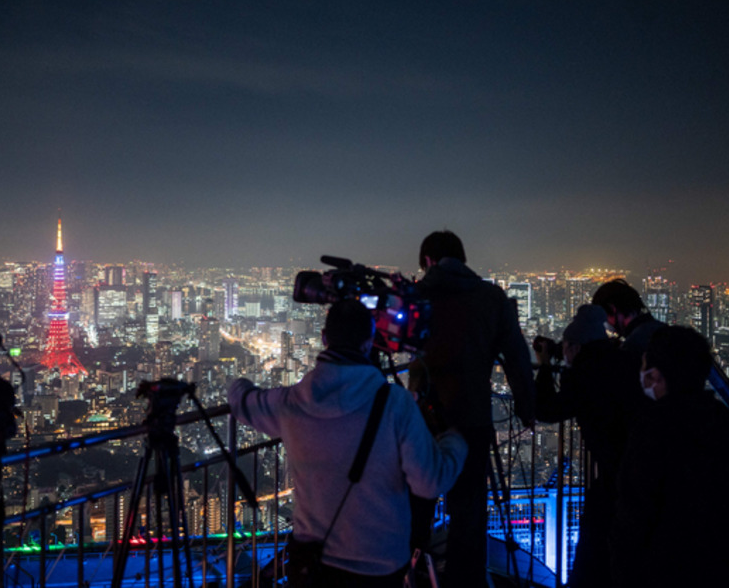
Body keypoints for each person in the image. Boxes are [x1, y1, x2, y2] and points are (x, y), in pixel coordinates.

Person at [228, 299, 467, 587]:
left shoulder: (291, 402)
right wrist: (455, 440)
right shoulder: (396, 404)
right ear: (369, 344)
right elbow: (429, 482)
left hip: (313, 565)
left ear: (324, 339)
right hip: (380, 565)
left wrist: (238, 382)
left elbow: (242, 401)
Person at [408, 230, 534, 587]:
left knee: (416, 507)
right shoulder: (491, 298)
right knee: (469, 514)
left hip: (422, 422)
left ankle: (410, 575)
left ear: (429, 261)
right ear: (462, 259)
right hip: (472, 418)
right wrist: (527, 408)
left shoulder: (417, 296)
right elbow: (518, 358)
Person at [611, 326, 729, 588]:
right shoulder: (724, 422)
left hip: (667, 569)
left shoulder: (653, 427)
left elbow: (635, 512)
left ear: (656, 375)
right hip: (725, 568)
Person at [533, 305, 645, 588]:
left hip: (613, 475)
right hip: (639, 469)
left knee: (596, 548)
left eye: (567, 348)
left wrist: (545, 365)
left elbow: (547, 410)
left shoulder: (587, 372)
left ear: (576, 346)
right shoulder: (620, 360)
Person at [591, 278, 665, 357]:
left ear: (612, 309)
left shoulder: (633, 345)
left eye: (604, 317)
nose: (607, 325)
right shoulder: (661, 330)